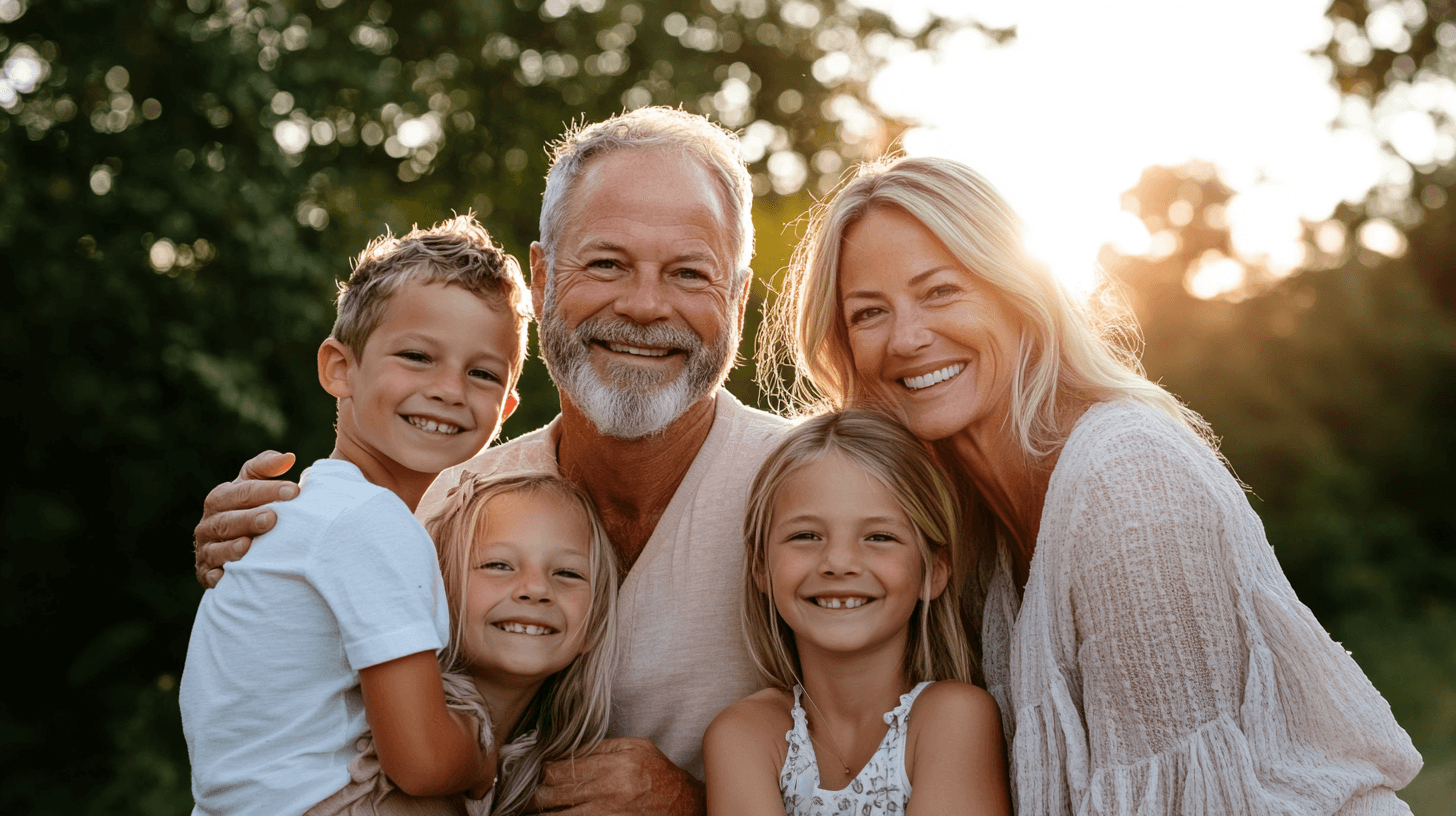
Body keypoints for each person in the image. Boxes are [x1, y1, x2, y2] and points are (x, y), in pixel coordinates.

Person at [761, 155, 1424, 814]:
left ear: (1017, 295)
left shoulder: (1127, 479)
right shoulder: (971, 526)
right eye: (868, 313)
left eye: (940, 292)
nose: (907, 338)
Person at [191, 107, 789, 814]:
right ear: (541, 278)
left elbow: (912, 771)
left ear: (740, 299)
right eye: (606, 263)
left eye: (690, 273)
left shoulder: (816, 493)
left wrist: (698, 801)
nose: (644, 305)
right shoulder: (443, 504)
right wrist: (263, 543)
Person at [181, 215, 528, 815]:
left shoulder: (320, 510)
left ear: (506, 407)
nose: (449, 388)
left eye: (481, 374)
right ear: (339, 368)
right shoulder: (368, 523)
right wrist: (481, 752)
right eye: (418, 356)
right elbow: (419, 761)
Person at [703, 410, 1011, 816]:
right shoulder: (743, 735)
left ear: (933, 571)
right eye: (806, 535)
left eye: (879, 537)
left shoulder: (954, 718)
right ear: (761, 566)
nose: (838, 562)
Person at [308, 471, 620, 816]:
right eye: (498, 565)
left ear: (594, 623)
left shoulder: (534, 761)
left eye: (567, 573)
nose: (536, 589)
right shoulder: (413, 732)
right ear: (439, 595)